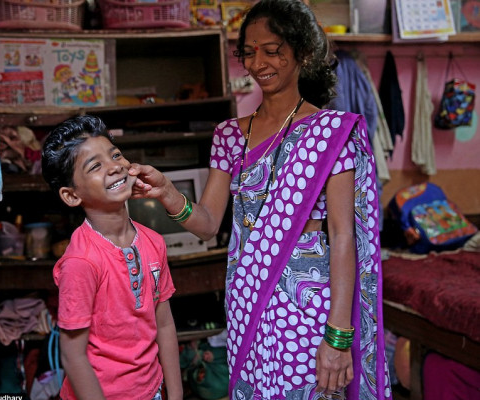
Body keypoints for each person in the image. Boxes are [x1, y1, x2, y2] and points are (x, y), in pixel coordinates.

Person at [129, 0, 391, 399]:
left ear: (303, 53)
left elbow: (342, 236)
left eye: (272, 51)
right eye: (249, 53)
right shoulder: (229, 135)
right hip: (246, 296)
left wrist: (338, 337)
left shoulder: (331, 132)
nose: (257, 63)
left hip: (309, 301)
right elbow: (207, 225)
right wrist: (167, 192)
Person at [41, 115, 183, 400]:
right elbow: (73, 356)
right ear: (71, 195)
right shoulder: (81, 261)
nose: (115, 166)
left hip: (151, 390)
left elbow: (164, 324)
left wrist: (176, 395)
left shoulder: (153, 242)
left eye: (115, 155)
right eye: (95, 166)